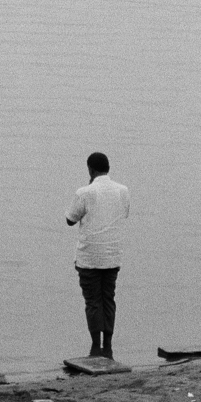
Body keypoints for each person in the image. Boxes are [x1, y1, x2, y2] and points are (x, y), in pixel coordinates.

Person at [65, 151, 130, 360]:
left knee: (93, 301)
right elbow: (124, 213)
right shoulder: (123, 191)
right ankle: (108, 346)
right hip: (112, 256)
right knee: (108, 299)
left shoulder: (85, 192)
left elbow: (70, 220)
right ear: (108, 168)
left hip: (90, 257)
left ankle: (95, 347)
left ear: (90, 170)